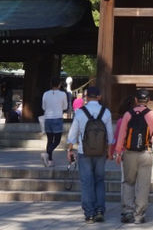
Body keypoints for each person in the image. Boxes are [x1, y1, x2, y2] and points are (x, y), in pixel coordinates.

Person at [66, 85, 114, 223]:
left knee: (87, 182)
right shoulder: (106, 112)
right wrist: (109, 152)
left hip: (84, 152)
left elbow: (73, 134)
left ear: (86, 97)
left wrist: (70, 150)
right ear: (99, 97)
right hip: (101, 152)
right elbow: (110, 136)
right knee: (99, 180)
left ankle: (89, 214)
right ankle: (100, 210)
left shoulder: (80, 112)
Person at [114, 88, 153, 224]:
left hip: (129, 153)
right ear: (149, 100)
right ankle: (139, 214)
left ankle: (128, 212)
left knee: (129, 183)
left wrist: (118, 152)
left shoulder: (127, 115)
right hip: (146, 153)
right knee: (143, 184)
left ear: (136, 100)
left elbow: (122, 134)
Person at [41, 77, 69, 167]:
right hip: (57, 118)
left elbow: (43, 107)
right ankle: (48, 154)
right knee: (57, 140)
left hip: (47, 118)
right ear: (59, 84)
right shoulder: (63, 94)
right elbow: (65, 107)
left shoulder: (45, 94)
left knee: (49, 140)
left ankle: (50, 160)